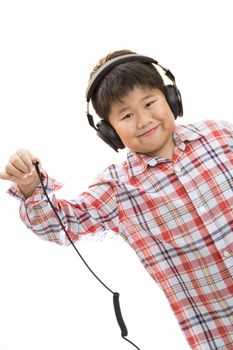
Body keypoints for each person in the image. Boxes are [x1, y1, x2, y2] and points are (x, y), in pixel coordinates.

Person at [1, 49, 233, 350]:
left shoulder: (221, 136)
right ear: (109, 132)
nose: (144, 120)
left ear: (171, 99)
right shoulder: (117, 188)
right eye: (126, 115)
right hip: (220, 335)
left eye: (149, 103)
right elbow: (59, 224)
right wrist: (32, 185)